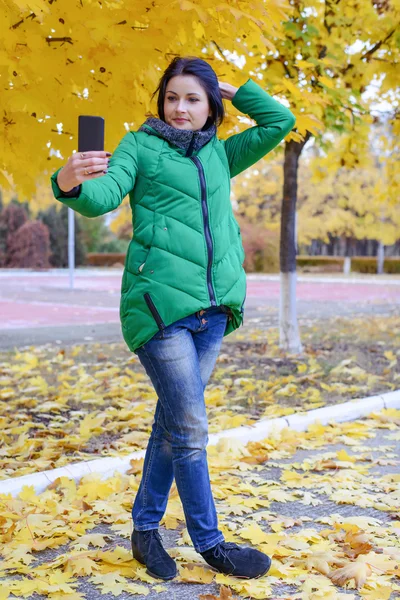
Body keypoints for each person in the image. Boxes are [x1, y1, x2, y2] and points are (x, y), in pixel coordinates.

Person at [50, 55, 296, 582]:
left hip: (212, 311)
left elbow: (280, 122)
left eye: (192, 98)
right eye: (171, 97)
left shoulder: (221, 156)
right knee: (189, 427)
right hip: (160, 309)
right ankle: (211, 543)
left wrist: (235, 88)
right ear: (160, 102)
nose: (180, 108)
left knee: (172, 425)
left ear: (210, 107)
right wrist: (70, 184)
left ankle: (144, 530)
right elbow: (102, 196)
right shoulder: (140, 146)